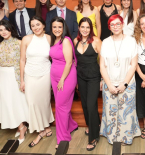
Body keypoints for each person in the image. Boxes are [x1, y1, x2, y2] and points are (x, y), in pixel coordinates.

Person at [99, 14, 140, 145]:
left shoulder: (131, 41)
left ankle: (125, 137)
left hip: (127, 82)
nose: (115, 27)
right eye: (112, 24)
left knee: (126, 113)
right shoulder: (105, 42)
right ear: (109, 27)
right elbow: (102, 66)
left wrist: (125, 83)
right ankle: (112, 136)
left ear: (122, 25)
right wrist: (109, 85)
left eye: (118, 24)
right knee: (110, 111)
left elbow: (133, 65)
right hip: (109, 82)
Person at [20, 16, 54, 147]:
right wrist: (22, 80)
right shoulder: (26, 39)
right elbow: (22, 60)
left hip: (45, 73)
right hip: (30, 74)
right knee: (32, 102)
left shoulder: (49, 38)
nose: (36, 27)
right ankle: (41, 130)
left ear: (44, 25)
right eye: (33, 25)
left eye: (38, 24)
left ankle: (45, 127)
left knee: (44, 101)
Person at [0, 20, 29, 144]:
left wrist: (23, 78)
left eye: (6, 29)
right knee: (7, 101)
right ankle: (20, 126)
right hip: (2, 74)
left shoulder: (20, 43)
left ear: (11, 29)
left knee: (17, 101)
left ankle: (22, 127)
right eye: (0, 30)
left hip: (15, 74)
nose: (3, 32)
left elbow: (24, 60)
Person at [49, 17, 78, 149]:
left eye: (59, 27)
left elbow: (69, 62)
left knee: (60, 107)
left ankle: (63, 138)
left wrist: (61, 79)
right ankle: (71, 125)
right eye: (54, 27)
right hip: (54, 77)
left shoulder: (65, 40)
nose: (57, 29)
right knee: (63, 106)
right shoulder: (53, 40)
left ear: (64, 27)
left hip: (65, 77)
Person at [74, 17, 102, 151]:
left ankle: (93, 137)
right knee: (85, 105)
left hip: (94, 77)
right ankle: (93, 125)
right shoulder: (75, 41)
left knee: (91, 105)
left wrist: (102, 79)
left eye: (87, 27)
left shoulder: (96, 41)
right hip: (81, 77)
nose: (85, 30)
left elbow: (103, 62)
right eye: (82, 27)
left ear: (91, 29)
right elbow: (74, 62)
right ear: (79, 28)